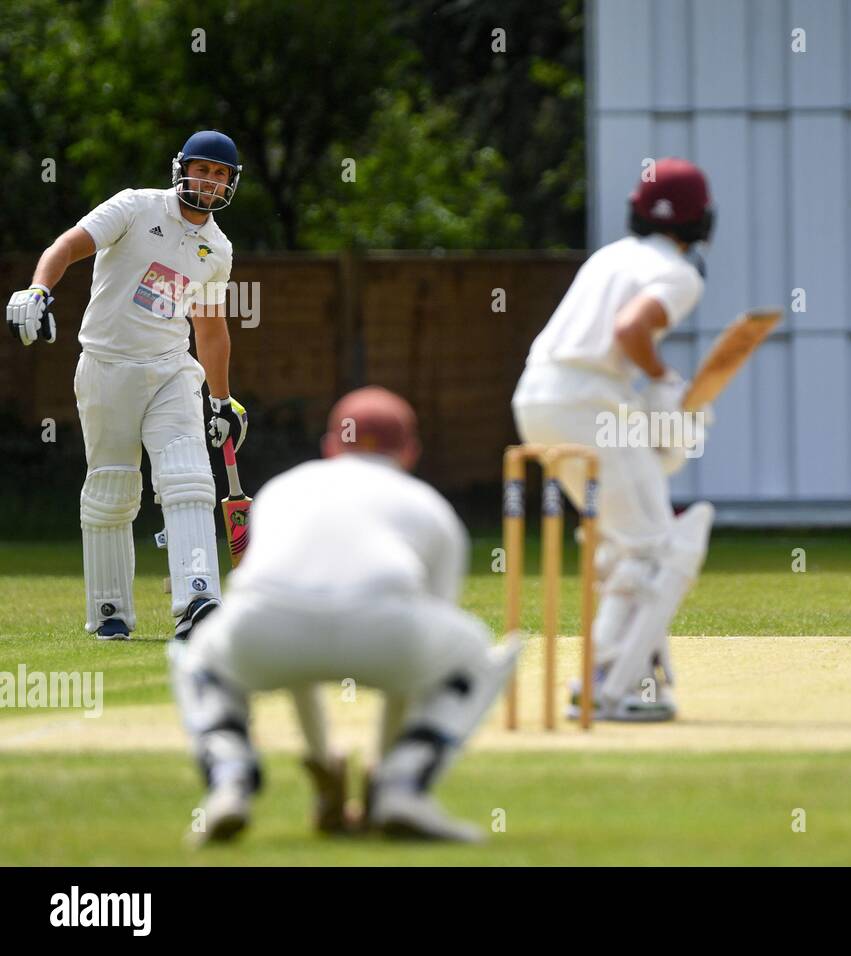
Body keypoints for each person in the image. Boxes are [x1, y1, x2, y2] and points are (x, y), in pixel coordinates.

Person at [170, 387, 519, 845]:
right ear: (411, 451)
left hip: (264, 633)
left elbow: (295, 609)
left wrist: (323, 762)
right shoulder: (431, 508)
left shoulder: (282, 489)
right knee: (475, 650)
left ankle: (230, 779)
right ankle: (402, 784)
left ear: (331, 445)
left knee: (196, 657)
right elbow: (419, 646)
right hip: (385, 636)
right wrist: (381, 766)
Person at [5, 130, 248, 640]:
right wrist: (38, 288)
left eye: (220, 173)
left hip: (170, 369)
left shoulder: (217, 248)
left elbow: (209, 327)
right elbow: (67, 245)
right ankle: (110, 611)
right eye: (202, 168)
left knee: (188, 480)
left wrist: (222, 400)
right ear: (181, 167)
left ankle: (198, 600)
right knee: (112, 490)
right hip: (105, 368)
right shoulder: (136, 207)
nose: (209, 180)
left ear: (230, 183)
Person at [511, 157, 717, 722]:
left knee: (628, 542)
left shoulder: (610, 256)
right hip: (589, 401)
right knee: (656, 547)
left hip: (537, 396)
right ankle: (611, 684)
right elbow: (629, 331)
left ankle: (619, 672)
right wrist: (663, 380)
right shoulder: (680, 273)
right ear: (701, 220)